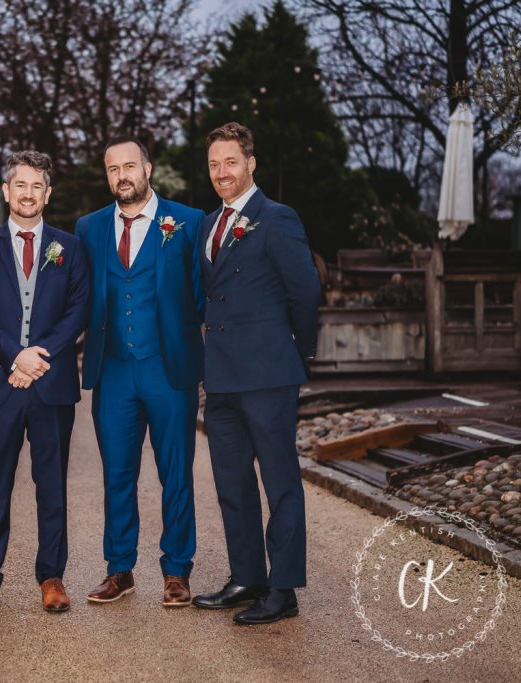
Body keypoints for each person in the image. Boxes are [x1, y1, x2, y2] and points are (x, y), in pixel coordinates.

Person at [191, 122, 320, 625]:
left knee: (280, 483)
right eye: (214, 164)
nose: (221, 172)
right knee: (233, 483)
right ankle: (247, 577)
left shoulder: (277, 217)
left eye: (231, 162)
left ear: (251, 163)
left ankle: (283, 589)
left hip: (268, 375)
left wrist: (297, 356)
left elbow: (305, 292)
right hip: (222, 377)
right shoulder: (208, 224)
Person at [76, 137, 205, 607]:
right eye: (113, 169)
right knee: (117, 474)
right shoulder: (89, 228)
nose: (122, 176)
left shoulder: (188, 221)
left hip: (169, 370)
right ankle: (119, 569)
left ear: (147, 168)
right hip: (113, 372)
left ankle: (177, 570)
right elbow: (79, 294)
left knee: (176, 473)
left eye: (129, 166)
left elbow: (200, 291)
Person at [0, 151, 90, 615]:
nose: (28, 194)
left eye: (37, 186)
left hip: (51, 386)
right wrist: (15, 355)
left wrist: (38, 357)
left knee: (51, 484)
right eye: (20, 185)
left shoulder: (70, 247)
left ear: (47, 194)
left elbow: (78, 310)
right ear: (6, 191)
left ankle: (51, 576)